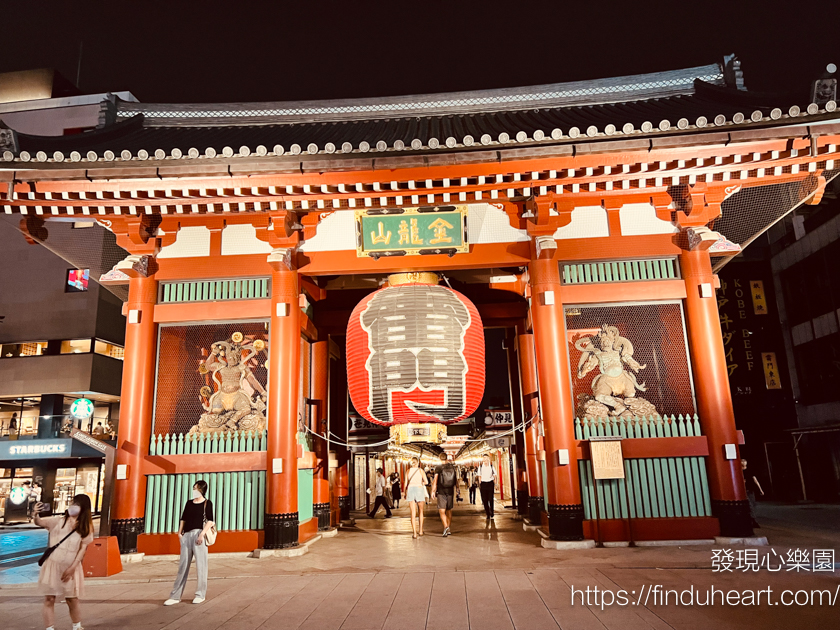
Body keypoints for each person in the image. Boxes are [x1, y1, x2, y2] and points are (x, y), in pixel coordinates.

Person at [34, 493, 94, 630]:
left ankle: (77, 626)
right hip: (53, 565)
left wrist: (73, 567)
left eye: (77, 504)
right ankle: (49, 628)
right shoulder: (58, 521)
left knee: (72, 599)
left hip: (71, 566)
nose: (73, 507)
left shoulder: (85, 527)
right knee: (49, 598)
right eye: (72, 503)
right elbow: (39, 522)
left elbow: (82, 549)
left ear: (83, 508)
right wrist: (35, 515)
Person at [164, 480, 215, 606]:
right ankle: (175, 596)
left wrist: (202, 534)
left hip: (199, 535)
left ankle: (200, 594)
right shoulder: (189, 503)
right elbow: (184, 518)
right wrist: (180, 532)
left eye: (196, 488)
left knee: (201, 566)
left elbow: (210, 520)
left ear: (202, 490)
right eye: (193, 488)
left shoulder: (207, 503)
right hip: (186, 535)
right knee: (182, 566)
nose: (194, 491)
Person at [431, 453, 460, 537]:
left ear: (440, 458)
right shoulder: (452, 467)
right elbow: (455, 479)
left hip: (441, 491)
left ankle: (445, 527)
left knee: (441, 510)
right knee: (449, 510)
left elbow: (435, 480)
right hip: (450, 490)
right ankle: (449, 528)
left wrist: (433, 491)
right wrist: (458, 489)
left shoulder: (438, 468)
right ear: (446, 458)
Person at [404, 457, 429, 538]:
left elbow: (405, 484)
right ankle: (421, 531)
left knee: (413, 513)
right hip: (419, 489)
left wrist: (405, 493)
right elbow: (426, 482)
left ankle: (414, 533)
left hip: (411, 490)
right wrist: (420, 483)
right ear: (418, 463)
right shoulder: (421, 471)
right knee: (421, 512)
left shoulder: (408, 471)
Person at [741, 459, 764, 528]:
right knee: (750, 505)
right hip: (744, 491)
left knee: (753, 504)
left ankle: (751, 518)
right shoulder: (739, 472)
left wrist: (760, 489)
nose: (744, 462)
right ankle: (753, 520)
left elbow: (755, 480)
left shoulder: (749, 471)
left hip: (750, 490)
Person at [478, 453, 497, 519]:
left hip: (490, 483)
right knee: (484, 500)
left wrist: (496, 484)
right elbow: (479, 477)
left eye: (486, 458)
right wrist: (480, 485)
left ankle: (491, 511)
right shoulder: (480, 467)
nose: (485, 460)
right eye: (484, 458)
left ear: (488, 459)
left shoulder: (491, 467)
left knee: (490, 498)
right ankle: (487, 513)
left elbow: (495, 476)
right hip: (483, 484)